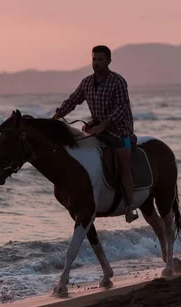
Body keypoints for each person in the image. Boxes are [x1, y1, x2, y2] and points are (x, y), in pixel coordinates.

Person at [52, 45, 139, 223]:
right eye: (94, 59)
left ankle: (130, 207)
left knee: (124, 163)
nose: (97, 63)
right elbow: (73, 100)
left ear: (108, 61)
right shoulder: (86, 82)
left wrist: (105, 125)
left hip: (119, 129)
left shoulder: (118, 81)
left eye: (100, 59)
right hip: (96, 126)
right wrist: (57, 116)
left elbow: (122, 107)